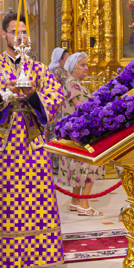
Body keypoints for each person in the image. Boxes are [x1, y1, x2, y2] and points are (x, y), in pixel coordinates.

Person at [0, 12, 65, 268]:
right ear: (4, 35)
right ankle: (4, 259)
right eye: (15, 32)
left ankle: (34, 260)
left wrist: (33, 95)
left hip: (33, 145)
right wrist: (4, 96)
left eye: (24, 32)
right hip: (4, 146)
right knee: (7, 203)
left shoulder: (39, 68)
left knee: (36, 202)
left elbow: (56, 98)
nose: (20, 37)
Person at [54, 52, 105, 216]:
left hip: (78, 132)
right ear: (72, 68)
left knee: (78, 166)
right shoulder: (73, 84)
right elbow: (81, 106)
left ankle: (75, 201)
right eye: (82, 65)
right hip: (80, 133)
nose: (86, 68)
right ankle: (84, 203)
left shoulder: (76, 83)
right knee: (89, 166)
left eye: (87, 65)